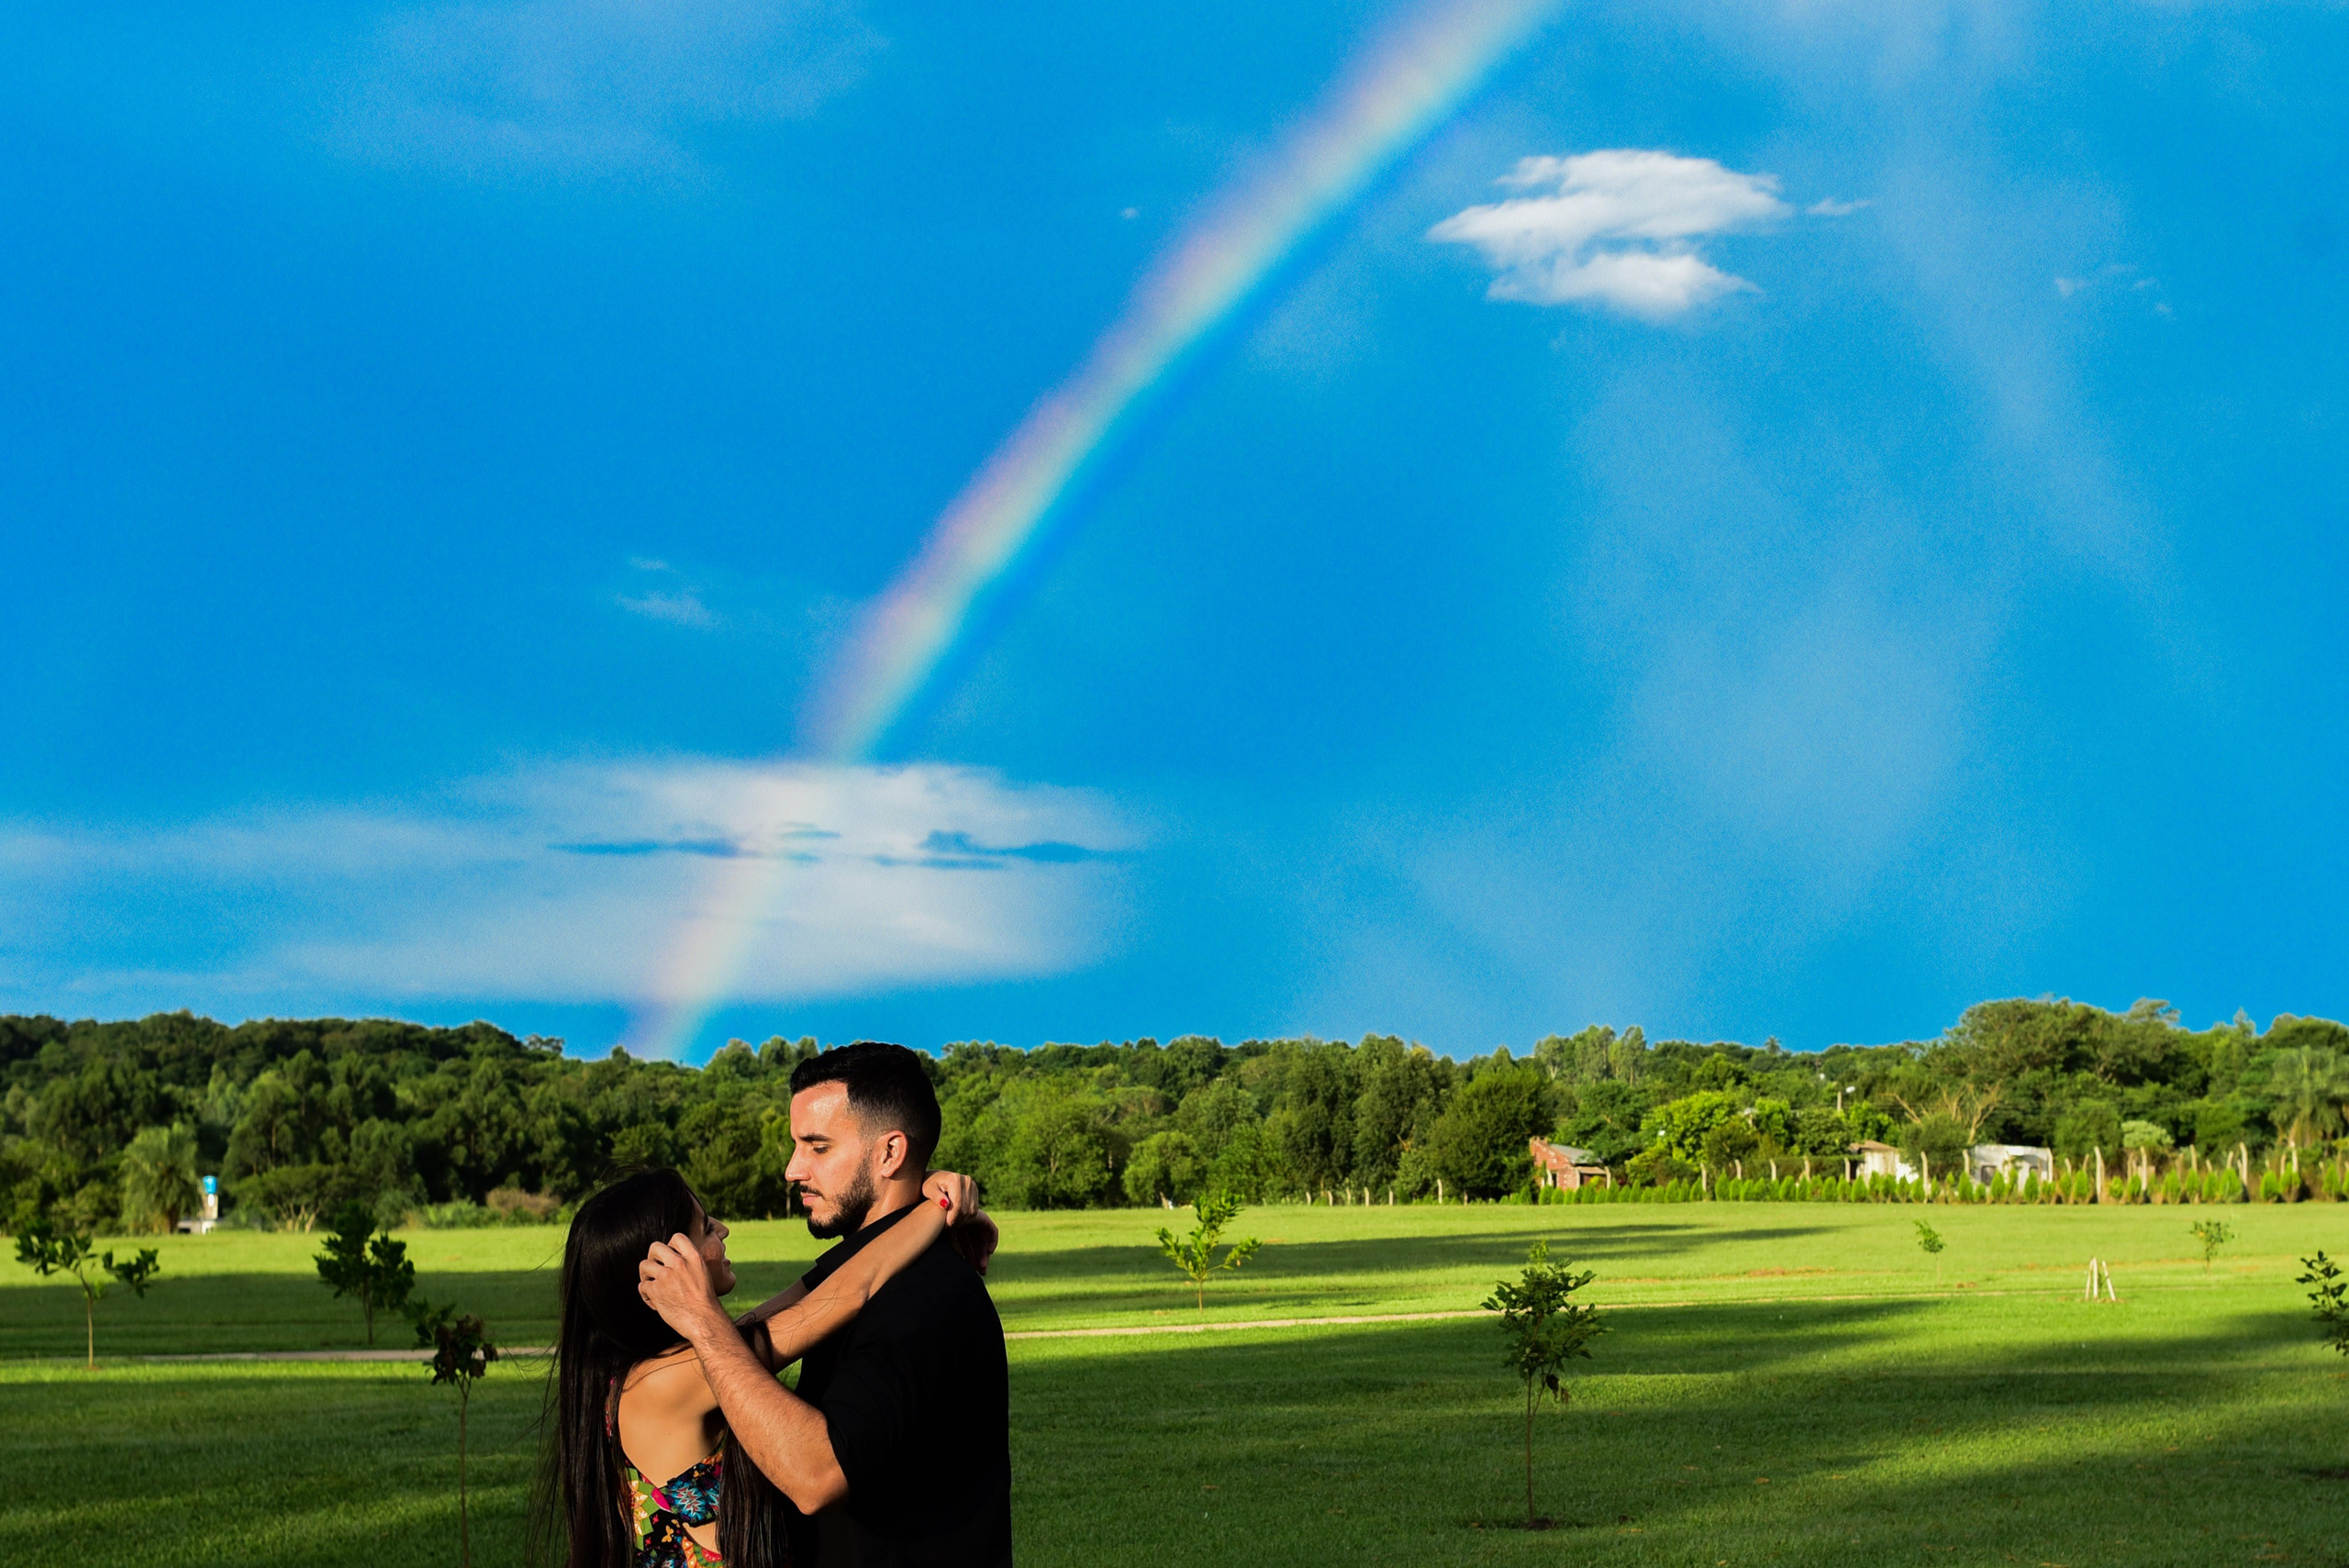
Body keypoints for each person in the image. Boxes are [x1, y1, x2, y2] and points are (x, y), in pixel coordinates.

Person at [640, 1041, 1013, 1568]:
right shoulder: (852, 1273)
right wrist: (936, 1204)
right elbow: (812, 1302)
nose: (793, 1170)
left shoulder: (920, 1296)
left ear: (890, 1153)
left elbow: (818, 1476)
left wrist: (702, 1319)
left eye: (817, 1147)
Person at [539, 1162, 987, 1568]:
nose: (723, 1229)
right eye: (704, 1227)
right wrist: (940, 1207)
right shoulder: (667, 1381)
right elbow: (848, 1292)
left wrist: (910, 1205)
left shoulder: (667, 1366)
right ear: (669, 1267)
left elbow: (810, 1290)